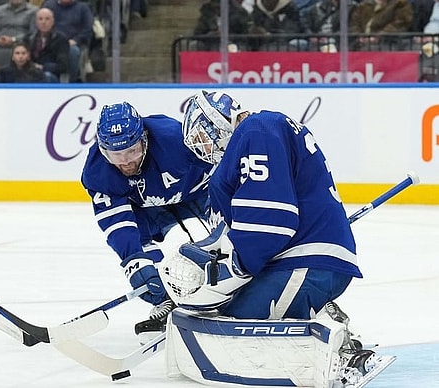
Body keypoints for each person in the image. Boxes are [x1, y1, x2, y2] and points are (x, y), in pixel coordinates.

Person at [164, 91, 380, 387]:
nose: (206, 147)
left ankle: (339, 349)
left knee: (236, 322)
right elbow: (255, 218)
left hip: (305, 261)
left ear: (220, 120)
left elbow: (271, 222)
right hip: (305, 255)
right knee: (232, 310)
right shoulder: (265, 130)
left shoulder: (256, 130)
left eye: (205, 135)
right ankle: (323, 316)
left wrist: (235, 268)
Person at [80, 102, 214, 337]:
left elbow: (222, 169)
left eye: (132, 151)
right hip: (144, 211)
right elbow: (117, 223)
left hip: (195, 195)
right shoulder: (98, 171)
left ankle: (222, 292)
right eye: (116, 154)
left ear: (144, 138)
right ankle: (169, 300)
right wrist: (134, 260)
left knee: (208, 244)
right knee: (146, 266)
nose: (126, 161)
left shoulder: (176, 140)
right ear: (103, 151)